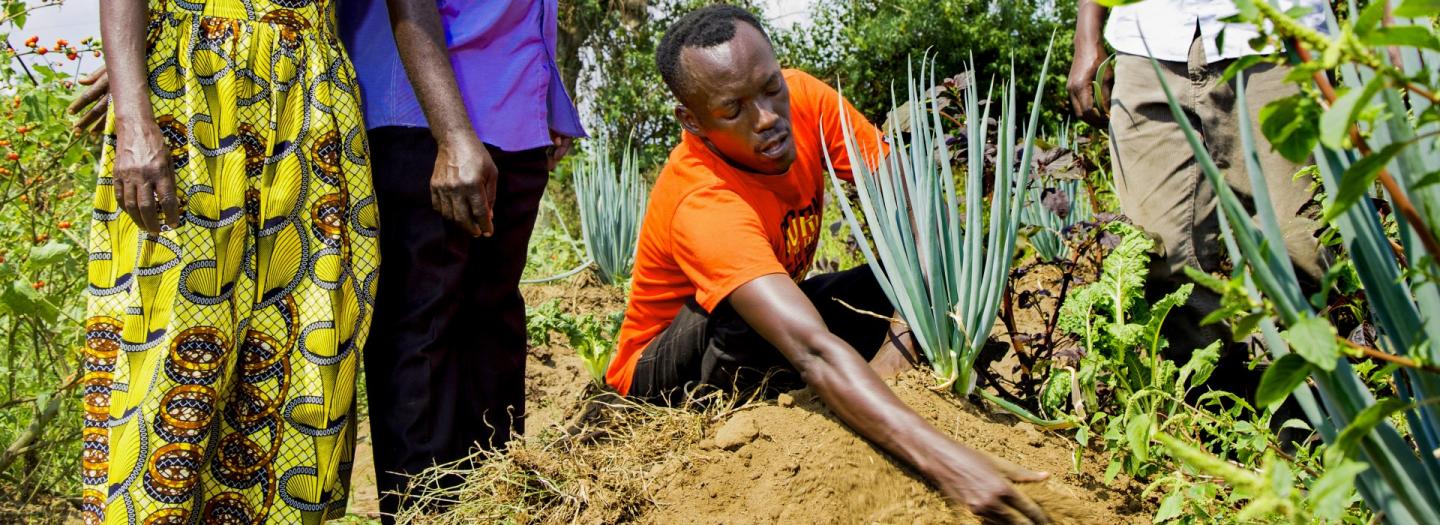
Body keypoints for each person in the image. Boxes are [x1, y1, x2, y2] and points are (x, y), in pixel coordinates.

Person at [607, 6, 1052, 523]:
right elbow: (813, 349)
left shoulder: (805, 99)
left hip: (769, 325)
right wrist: (952, 466)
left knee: (895, 277)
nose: (767, 117)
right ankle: (761, 421)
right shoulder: (702, 199)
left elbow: (921, 222)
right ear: (693, 120)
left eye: (771, 87)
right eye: (732, 110)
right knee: (751, 314)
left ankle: (849, 393)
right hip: (662, 372)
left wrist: (901, 346)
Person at [80, 0, 379, 523]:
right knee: (173, 341)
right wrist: (132, 111)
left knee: (302, 347)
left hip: (313, 98)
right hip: (195, 84)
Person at [337, 0, 583, 520]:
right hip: (423, 119)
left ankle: (492, 506)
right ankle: (421, 512)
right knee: (423, 326)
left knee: (492, 322)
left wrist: (546, 98)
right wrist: (452, 135)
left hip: (514, 117)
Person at [1067, 0, 1328, 389]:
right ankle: (1217, 405)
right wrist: (1086, 34)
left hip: (1272, 36)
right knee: (1159, 254)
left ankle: (1298, 417)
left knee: (1297, 251)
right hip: (1149, 37)